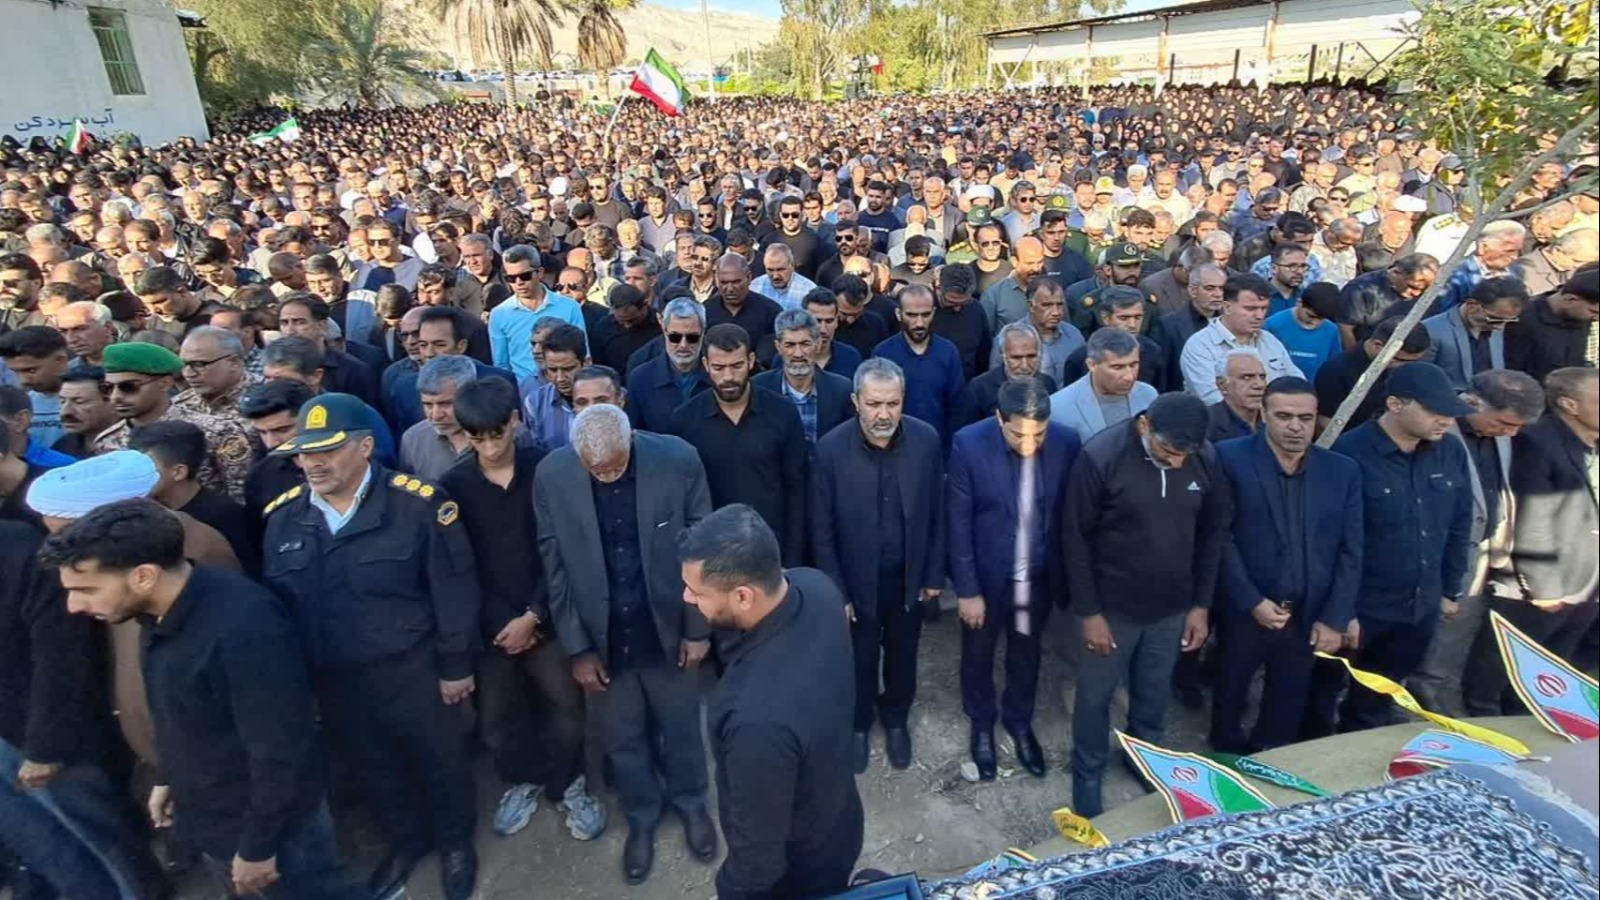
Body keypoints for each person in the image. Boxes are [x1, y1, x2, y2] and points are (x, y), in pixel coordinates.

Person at [44, 498, 370, 899]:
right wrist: (169, 777)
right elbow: (178, 716)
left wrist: (258, 848)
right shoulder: (155, 614)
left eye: (86, 590)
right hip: (218, 820)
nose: (74, 605)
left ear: (144, 576)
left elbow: (280, 750)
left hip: (273, 836)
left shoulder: (243, 628)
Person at [261, 393, 482, 900]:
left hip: (412, 668)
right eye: (305, 453)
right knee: (373, 765)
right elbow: (281, 609)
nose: (313, 464)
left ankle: (455, 844)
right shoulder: (283, 518)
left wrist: (456, 666)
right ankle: (407, 841)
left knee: (440, 759)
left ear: (364, 447)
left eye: (327, 451)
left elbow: (453, 589)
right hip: (334, 676)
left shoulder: (418, 504)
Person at [532, 405, 715, 886]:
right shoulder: (551, 476)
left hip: (666, 629)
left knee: (682, 728)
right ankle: (642, 816)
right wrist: (578, 649)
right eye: (595, 469)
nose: (606, 475)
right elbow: (555, 568)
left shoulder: (677, 459)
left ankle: (692, 804)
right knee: (623, 738)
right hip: (603, 638)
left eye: (614, 466)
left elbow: (704, 550)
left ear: (630, 439)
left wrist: (697, 630)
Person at [437, 379, 604, 842]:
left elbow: (562, 549)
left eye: (497, 434)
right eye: (478, 438)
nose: (490, 448)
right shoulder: (453, 486)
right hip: (493, 628)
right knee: (497, 719)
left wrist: (534, 615)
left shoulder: (546, 470)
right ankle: (521, 779)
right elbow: (459, 566)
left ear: (515, 421)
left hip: (547, 616)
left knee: (567, 709)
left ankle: (568, 782)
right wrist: (504, 623)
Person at [678, 504, 865, 900]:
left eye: (697, 592)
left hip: (799, 874)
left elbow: (758, 861)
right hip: (840, 819)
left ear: (744, 596)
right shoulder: (817, 588)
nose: (687, 598)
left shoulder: (755, 720)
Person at [1064, 392, 1229, 817]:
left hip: (1172, 608)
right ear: (1145, 426)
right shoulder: (1101, 457)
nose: (1176, 462)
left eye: (1184, 454)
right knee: (1095, 696)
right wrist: (1090, 613)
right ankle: (1087, 771)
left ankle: (1145, 760)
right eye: (1168, 450)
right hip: (1111, 610)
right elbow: (1075, 541)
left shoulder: (1204, 458)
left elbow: (1211, 536)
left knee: (1153, 693)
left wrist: (1200, 606)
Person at [0, 516, 168, 900]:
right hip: (7, 736)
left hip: (44, 736)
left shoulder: (18, 548)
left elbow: (61, 654)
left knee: (103, 843)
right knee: (44, 847)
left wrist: (45, 748)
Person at [1310, 363, 1474, 736]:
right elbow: (1326, 541)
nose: (1446, 421)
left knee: (1378, 697)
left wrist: (1449, 589)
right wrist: (1340, 612)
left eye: (1450, 412)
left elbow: (1459, 522)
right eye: (1435, 411)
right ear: (1395, 405)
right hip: (1360, 608)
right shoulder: (1347, 454)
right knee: (1320, 693)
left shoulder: (1450, 451)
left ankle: (1361, 748)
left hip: (1418, 608)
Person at [1211, 378, 1362, 753]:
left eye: (1305, 418)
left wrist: (1336, 617)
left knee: (1286, 706)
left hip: (1307, 616)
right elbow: (1219, 538)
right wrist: (1251, 601)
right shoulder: (1228, 458)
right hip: (1244, 612)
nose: (1296, 426)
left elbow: (1351, 549)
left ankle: (1271, 759)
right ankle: (1226, 757)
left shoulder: (1342, 471)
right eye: (1284, 416)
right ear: (1263, 414)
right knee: (1229, 696)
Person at [810, 358, 945, 771]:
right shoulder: (831, 449)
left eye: (892, 403)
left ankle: (897, 719)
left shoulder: (926, 441)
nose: (883, 414)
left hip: (908, 579)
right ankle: (858, 724)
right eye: (873, 404)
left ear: (903, 400)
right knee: (859, 659)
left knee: (904, 656)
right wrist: (837, 592)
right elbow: (821, 529)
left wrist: (933, 575)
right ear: (856, 402)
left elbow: (938, 513)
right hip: (856, 583)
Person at [949, 378, 1079, 781]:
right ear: (998, 419)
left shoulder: (1066, 442)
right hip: (988, 579)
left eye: (1039, 434)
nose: (1030, 443)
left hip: (1036, 579)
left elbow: (1068, 515)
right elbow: (958, 523)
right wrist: (968, 590)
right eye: (1019, 434)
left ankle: (1019, 720)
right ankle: (982, 722)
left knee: (1026, 650)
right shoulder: (969, 444)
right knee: (978, 653)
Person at [1409, 368, 1545, 716]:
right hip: (1432, 565)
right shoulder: (1431, 433)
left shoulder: (1501, 435)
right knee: (1421, 661)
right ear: (1472, 402)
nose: (1510, 433)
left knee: (1449, 657)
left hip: (1481, 561)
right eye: (1504, 423)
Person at [1464, 367, 1600, 715]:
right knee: (1496, 678)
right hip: (1537, 590)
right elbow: (1531, 517)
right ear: (1570, 404)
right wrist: (1545, 587)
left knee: (1554, 676)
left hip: (1587, 586)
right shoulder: (1536, 441)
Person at [671, 324, 808, 566]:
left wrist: (792, 560)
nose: (728, 377)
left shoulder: (783, 412)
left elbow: (797, 490)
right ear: (705, 365)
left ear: (751, 361)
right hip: (713, 554)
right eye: (719, 368)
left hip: (772, 550)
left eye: (736, 366)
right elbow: (683, 498)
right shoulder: (685, 420)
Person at [91, 342, 254, 502]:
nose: (116, 397)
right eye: (107, 388)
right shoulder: (107, 441)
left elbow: (242, 495)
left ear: (165, 384)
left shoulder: (217, 431)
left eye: (129, 387)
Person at [129, 420, 255, 573]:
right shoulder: (142, 512)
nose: (134, 475)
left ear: (178, 472)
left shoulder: (222, 514)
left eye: (145, 468)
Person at [1180, 273, 1303, 403]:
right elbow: (1211, 399)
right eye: (1251, 309)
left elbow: (1297, 384)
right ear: (1227, 307)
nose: (1260, 316)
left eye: (1264, 308)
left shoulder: (1270, 341)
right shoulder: (1200, 346)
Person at [873, 284, 966, 441]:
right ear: (898, 314)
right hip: (895, 446)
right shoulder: (883, 354)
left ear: (934, 313)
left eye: (925, 315)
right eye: (912, 315)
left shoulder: (948, 352)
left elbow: (958, 408)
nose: (919, 323)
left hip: (938, 445)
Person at [754, 308, 854, 446]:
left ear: (817, 345)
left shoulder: (841, 390)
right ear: (778, 347)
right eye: (790, 345)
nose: (798, 354)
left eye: (805, 344)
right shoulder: (759, 387)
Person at [1314, 314, 1434, 428]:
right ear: (1378, 345)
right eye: (1400, 360)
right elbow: (1324, 422)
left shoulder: (1403, 369)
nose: (1405, 366)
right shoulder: (1337, 370)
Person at [489, 244, 587, 379]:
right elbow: (501, 365)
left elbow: (583, 355)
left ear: (540, 272)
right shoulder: (499, 314)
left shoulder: (569, 307)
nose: (518, 282)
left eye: (525, 276)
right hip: (522, 388)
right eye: (511, 278)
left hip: (565, 384)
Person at [1050, 328, 1157, 444]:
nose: (1129, 377)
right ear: (1092, 365)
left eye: (1133, 365)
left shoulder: (1149, 394)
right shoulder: (1059, 407)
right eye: (1117, 367)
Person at [1422, 277, 1527, 392]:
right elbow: (1422, 381)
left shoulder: (1496, 325)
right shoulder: (1430, 331)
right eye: (1494, 319)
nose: (1500, 327)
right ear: (1472, 305)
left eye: (1509, 320)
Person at [276, 293, 380, 406]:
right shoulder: (271, 368)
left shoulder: (353, 371)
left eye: (300, 322)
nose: (290, 331)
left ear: (322, 326)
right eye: (284, 323)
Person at [626, 297, 710, 434]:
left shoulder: (717, 374)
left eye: (692, 337)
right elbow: (636, 434)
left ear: (703, 332)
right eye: (675, 337)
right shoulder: (640, 378)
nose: (683, 345)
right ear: (664, 332)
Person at [1504, 264, 1598, 383]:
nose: (1596, 318)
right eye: (1593, 312)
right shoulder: (1522, 319)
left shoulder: (1581, 317)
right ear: (1570, 299)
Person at [400, 355, 478, 480]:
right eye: (428, 405)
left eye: (445, 404)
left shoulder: (502, 434)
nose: (436, 415)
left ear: (470, 396)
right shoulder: (413, 440)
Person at [0, 325, 68, 448]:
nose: (22, 381)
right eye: (15, 372)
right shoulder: (23, 402)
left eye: (31, 370)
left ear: (60, 361)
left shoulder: (94, 397)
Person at [1263, 281, 1344, 382]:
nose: (1315, 322)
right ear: (1299, 302)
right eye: (1311, 316)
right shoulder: (1273, 325)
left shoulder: (1332, 331)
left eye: (1321, 319)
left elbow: (1333, 366)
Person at [588, 283, 660, 374]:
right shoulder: (603, 328)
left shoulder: (660, 324)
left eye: (632, 320)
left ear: (645, 306)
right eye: (621, 321)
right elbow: (599, 364)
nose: (627, 326)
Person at [55, 366, 117, 458]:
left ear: (112, 402)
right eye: (62, 401)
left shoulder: (135, 446)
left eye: (79, 402)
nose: (65, 412)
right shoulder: (63, 447)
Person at [1207, 348, 1268, 442]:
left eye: (1262, 377)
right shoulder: (1206, 423)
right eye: (1246, 377)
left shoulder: (1274, 420)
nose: (1260, 385)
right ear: (1222, 385)